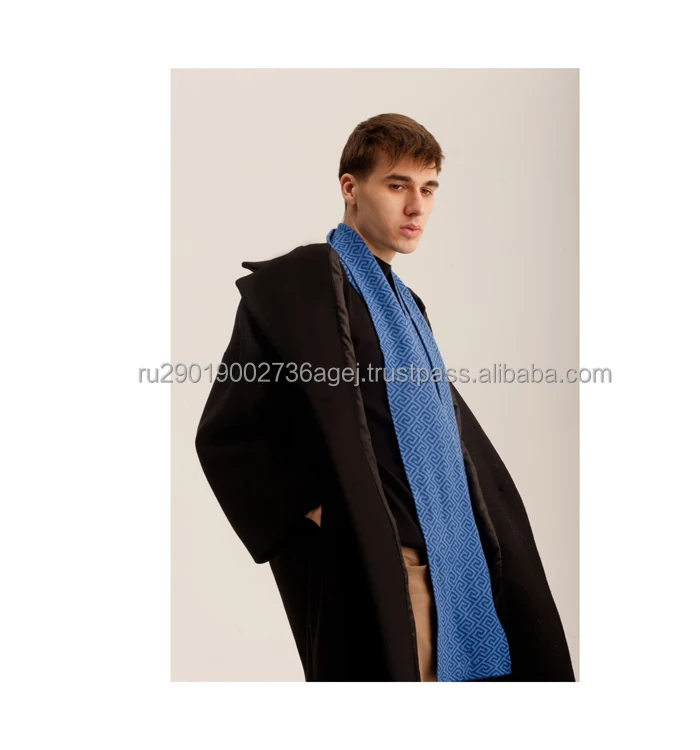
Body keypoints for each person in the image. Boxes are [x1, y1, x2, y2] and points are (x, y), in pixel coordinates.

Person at [195, 113, 574, 682]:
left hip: (456, 566)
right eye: (397, 185)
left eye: (428, 189)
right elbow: (229, 435)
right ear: (350, 187)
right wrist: (333, 516)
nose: (416, 207)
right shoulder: (301, 289)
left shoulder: (406, 305)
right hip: (387, 569)